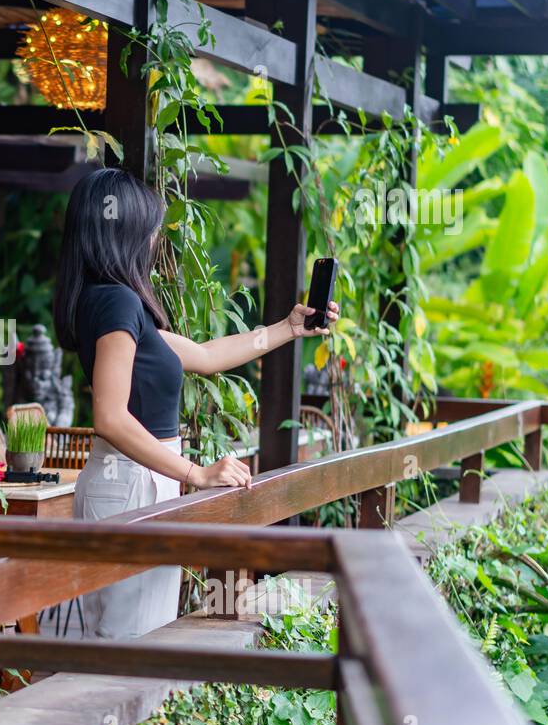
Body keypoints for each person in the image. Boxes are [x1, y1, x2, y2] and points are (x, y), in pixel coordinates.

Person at [53, 168, 340, 639]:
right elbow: (109, 416)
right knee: (133, 643)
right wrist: (195, 474)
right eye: (148, 228)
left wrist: (290, 328)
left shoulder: (112, 304)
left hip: (134, 481)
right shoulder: (116, 303)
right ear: (121, 229)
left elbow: (207, 357)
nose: (152, 240)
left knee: (130, 636)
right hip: (133, 482)